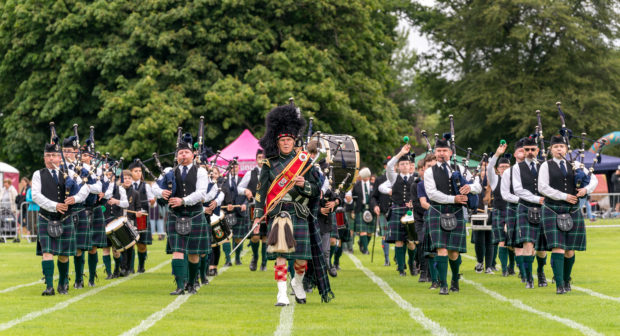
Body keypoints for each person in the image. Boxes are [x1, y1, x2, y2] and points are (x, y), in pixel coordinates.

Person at [253, 103, 332, 306]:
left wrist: (304, 184)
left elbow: (316, 191)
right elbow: (261, 193)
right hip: (279, 212)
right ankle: (281, 294)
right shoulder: (269, 164)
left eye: (289, 140)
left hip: (300, 213)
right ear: (277, 142)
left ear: (293, 140)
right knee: (281, 255)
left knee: (301, 260)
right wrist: (257, 215)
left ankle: (297, 282)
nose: (286, 143)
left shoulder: (304, 163)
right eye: (283, 140)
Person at [152, 132, 211, 295]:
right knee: (178, 251)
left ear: (193, 154)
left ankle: (191, 284)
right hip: (175, 215)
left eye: (186, 152)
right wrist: (161, 192)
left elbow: (201, 193)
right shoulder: (169, 171)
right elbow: (154, 187)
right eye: (180, 153)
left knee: (193, 254)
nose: (183, 155)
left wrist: (183, 200)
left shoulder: (201, 172)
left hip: (195, 214)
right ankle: (179, 285)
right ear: (177, 156)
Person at [539, 135, 598, 294]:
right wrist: (563, 196)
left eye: (562, 146)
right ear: (551, 149)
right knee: (558, 247)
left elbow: (593, 180)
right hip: (552, 208)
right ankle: (559, 284)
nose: (559, 149)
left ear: (566, 149)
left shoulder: (576, 164)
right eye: (556, 147)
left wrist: (586, 189)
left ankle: (566, 280)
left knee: (570, 249)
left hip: (572, 210)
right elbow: (542, 187)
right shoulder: (546, 165)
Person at [424, 135, 482, 295]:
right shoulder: (429, 172)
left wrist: (470, 189)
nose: (441, 153)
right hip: (438, 211)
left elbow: (478, 185)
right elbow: (432, 194)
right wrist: (453, 198)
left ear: (450, 152)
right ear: (435, 152)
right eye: (438, 150)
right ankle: (443, 285)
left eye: (444, 150)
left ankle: (455, 279)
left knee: (453, 252)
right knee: (441, 249)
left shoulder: (461, 168)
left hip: (456, 212)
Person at [32, 140, 89, 295]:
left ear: (60, 158)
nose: (51, 158)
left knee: (64, 255)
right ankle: (49, 286)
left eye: (54, 155)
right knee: (47, 252)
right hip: (46, 216)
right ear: (44, 158)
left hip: (65, 218)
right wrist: (54, 205)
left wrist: (75, 199)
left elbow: (85, 189)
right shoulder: (38, 174)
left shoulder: (69, 173)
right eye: (48, 155)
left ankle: (63, 283)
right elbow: (36, 196)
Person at [512, 136, 548, 289]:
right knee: (527, 243)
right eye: (527, 150)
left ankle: (540, 271)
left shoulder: (544, 166)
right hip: (525, 208)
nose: (530, 152)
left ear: (537, 150)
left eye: (533, 150)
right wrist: (537, 199)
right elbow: (518, 190)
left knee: (541, 247)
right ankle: (528, 278)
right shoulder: (516, 168)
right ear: (523, 151)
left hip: (543, 209)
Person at [381, 145, 415, 276]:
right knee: (399, 241)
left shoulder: (416, 179)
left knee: (411, 242)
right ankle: (401, 269)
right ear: (399, 166)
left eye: (407, 164)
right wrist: (401, 153)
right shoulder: (393, 177)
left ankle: (412, 263)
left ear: (410, 165)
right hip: (397, 211)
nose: (405, 166)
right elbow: (389, 166)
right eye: (402, 164)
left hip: (411, 213)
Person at [237, 149, 268, 271]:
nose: (261, 159)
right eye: (259, 157)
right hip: (254, 207)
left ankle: (264, 263)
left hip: (268, 207)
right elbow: (239, 187)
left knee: (265, 236)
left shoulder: (271, 172)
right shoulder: (250, 173)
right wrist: (245, 191)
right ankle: (255, 258)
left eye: (263, 157)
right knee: (255, 236)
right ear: (256, 159)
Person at [127, 161, 155, 273]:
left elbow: (152, 202)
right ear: (131, 172)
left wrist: (152, 202)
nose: (138, 173)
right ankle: (130, 267)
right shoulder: (126, 186)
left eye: (140, 171)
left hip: (142, 217)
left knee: (142, 244)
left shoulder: (146, 186)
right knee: (131, 243)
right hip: (129, 217)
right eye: (135, 171)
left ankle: (141, 266)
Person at [346, 167, 375, 255]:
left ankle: (361, 243)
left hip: (371, 210)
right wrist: (352, 209)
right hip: (360, 209)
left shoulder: (373, 185)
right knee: (362, 230)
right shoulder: (356, 185)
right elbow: (352, 197)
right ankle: (365, 250)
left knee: (369, 232)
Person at [372, 158, 392, 266]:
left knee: (399, 237)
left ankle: (398, 260)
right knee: (385, 236)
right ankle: (387, 259)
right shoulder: (379, 180)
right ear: (385, 167)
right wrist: (375, 206)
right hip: (384, 212)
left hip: (397, 212)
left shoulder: (398, 179)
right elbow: (373, 197)